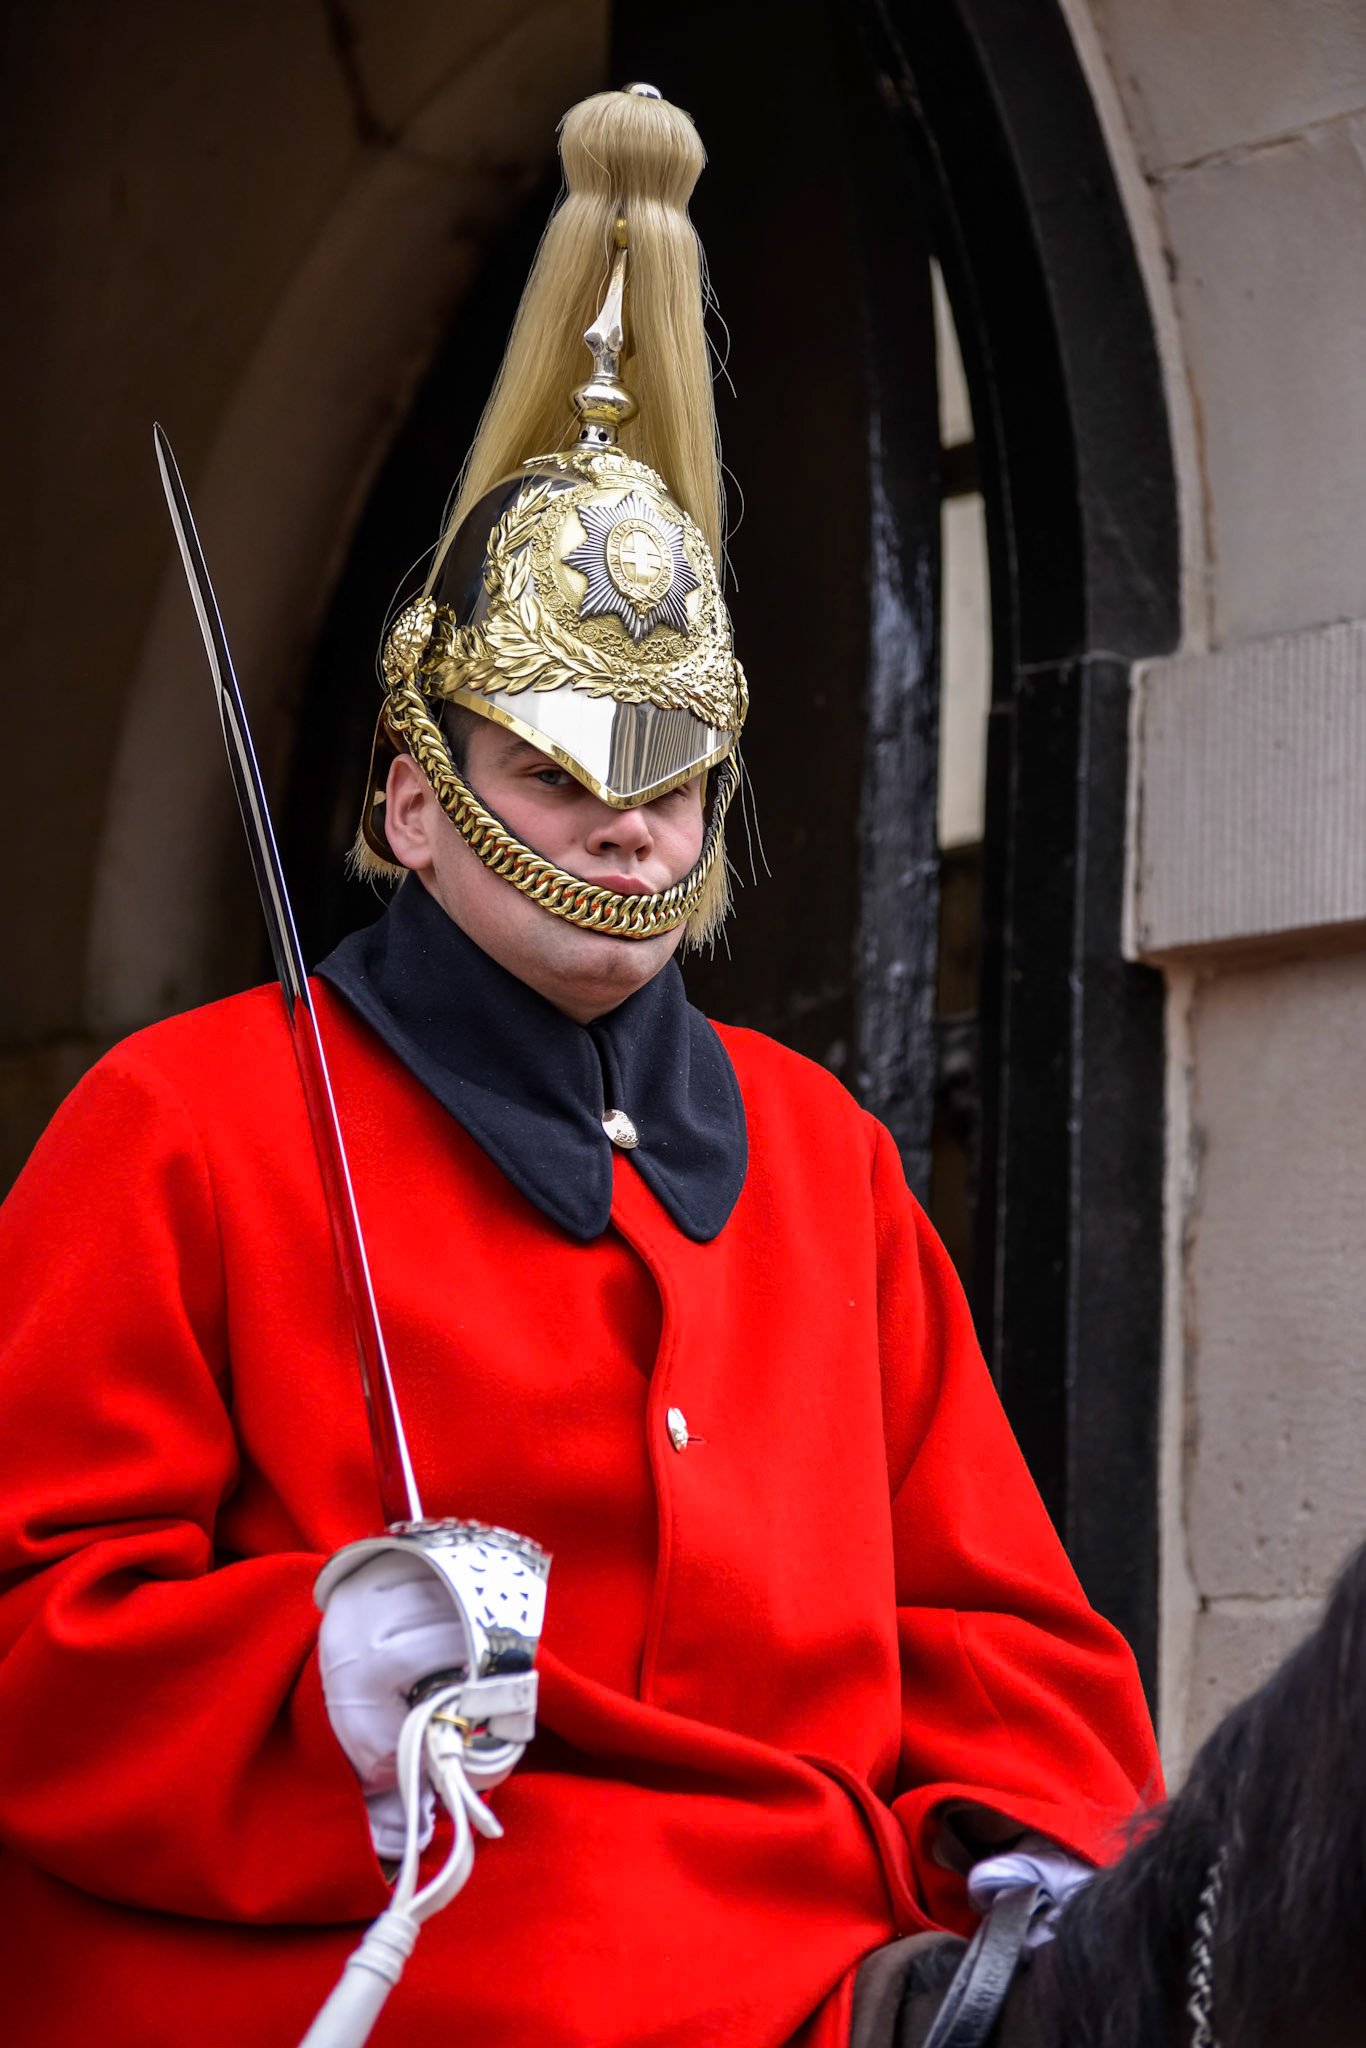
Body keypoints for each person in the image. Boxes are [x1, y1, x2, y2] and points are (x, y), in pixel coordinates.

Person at [0, 85, 1160, 2048]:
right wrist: (316, 1668)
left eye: (669, 778)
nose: (626, 827)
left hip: (814, 1954)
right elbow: (34, 1625)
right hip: (395, 1945)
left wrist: (1031, 1842)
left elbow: (993, 1628)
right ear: (412, 796)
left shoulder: (823, 1161)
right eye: (553, 765)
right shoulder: (178, 1124)